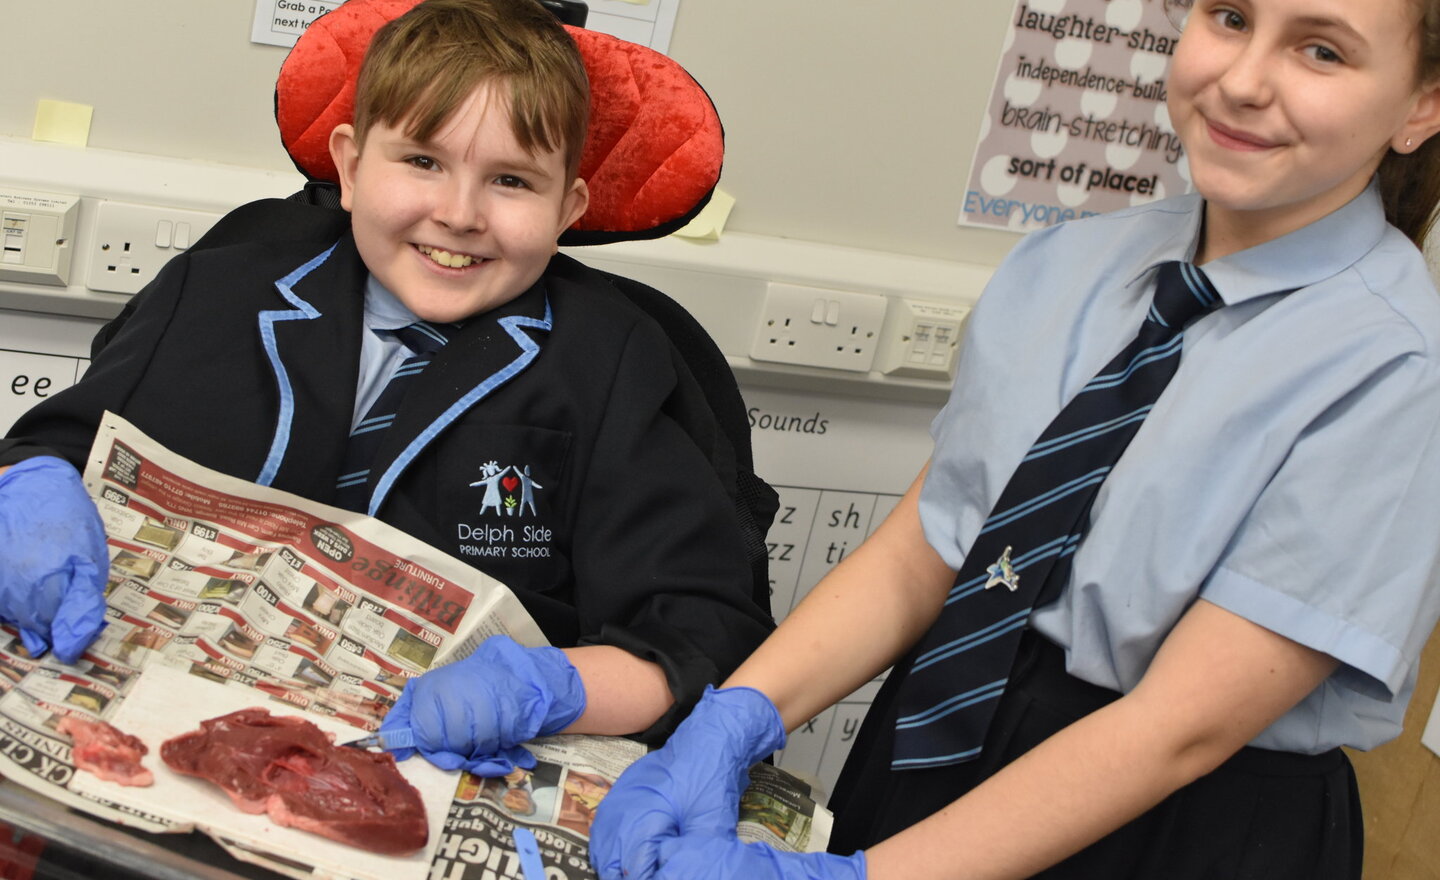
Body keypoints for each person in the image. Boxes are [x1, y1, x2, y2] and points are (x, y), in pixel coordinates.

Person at [589, 0, 1440, 877]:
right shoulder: (1070, 265)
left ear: (1422, 104)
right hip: (937, 743)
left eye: (1322, 51)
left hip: (1175, 822)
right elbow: (926, 547)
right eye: (1229, 16)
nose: (1244, 80)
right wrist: (734, 718)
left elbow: (1179, 730)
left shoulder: (1399, 371)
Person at [0, 0, 771, 772]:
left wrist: (556, 686)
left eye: (511, 180)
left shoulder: (616, 357)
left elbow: (702, 635)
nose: (459, 214)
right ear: (351, 164)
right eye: (422, 162)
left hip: (420, 765)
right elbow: (50, 452)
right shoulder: (215, 287)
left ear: (568, 206)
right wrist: (26, 488)